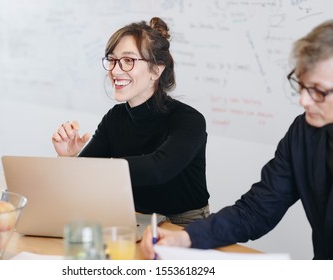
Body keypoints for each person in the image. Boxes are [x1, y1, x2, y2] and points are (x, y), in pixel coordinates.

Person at [141, 19, 333, 260]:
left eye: (318, 91)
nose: (303, 100)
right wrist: (186, 237)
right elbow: (257, 210)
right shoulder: (304, 133)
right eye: (302, 85)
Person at [52, 17, 210, 226]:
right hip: (132, 217)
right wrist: (70, 159)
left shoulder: (189, 120)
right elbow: (85, 179)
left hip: (183, 223)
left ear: (156, 70)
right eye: (112, 60)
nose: (115, 71)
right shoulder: (115, 118)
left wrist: (92, 167)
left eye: (128, 61)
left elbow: (158, 169)